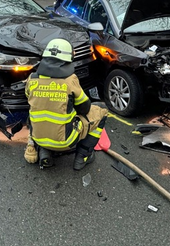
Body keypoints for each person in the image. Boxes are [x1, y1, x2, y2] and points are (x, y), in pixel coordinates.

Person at [24, 38, 108, 170]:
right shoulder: (69, 80)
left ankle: (45, 151)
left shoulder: (32, 79)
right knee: (101, 110)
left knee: (41, 113)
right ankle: (83, 157)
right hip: (66, 141)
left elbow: (31, 100)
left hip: (37, 138)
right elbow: (85, 108)